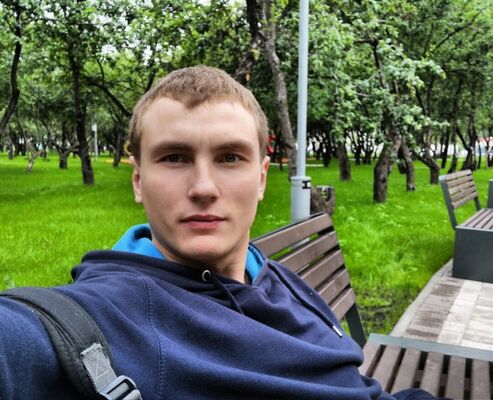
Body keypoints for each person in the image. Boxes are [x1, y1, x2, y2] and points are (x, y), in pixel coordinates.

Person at [0, 66, 447, 400]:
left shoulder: (268, 271)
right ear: (138, 181)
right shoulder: (109, 317)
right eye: (174, 157)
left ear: (261, 178)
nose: (204, 188)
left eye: (230, 158)